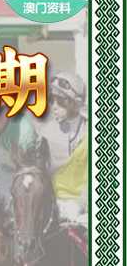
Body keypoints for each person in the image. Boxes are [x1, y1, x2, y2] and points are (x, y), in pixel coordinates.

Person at [37, 72, 87, 223]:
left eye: (60, 101)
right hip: (54, 209)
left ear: (75, 103)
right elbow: (40, 174)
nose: (54, 107)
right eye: (51, 100)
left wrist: (79, 205)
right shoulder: (46, 133)